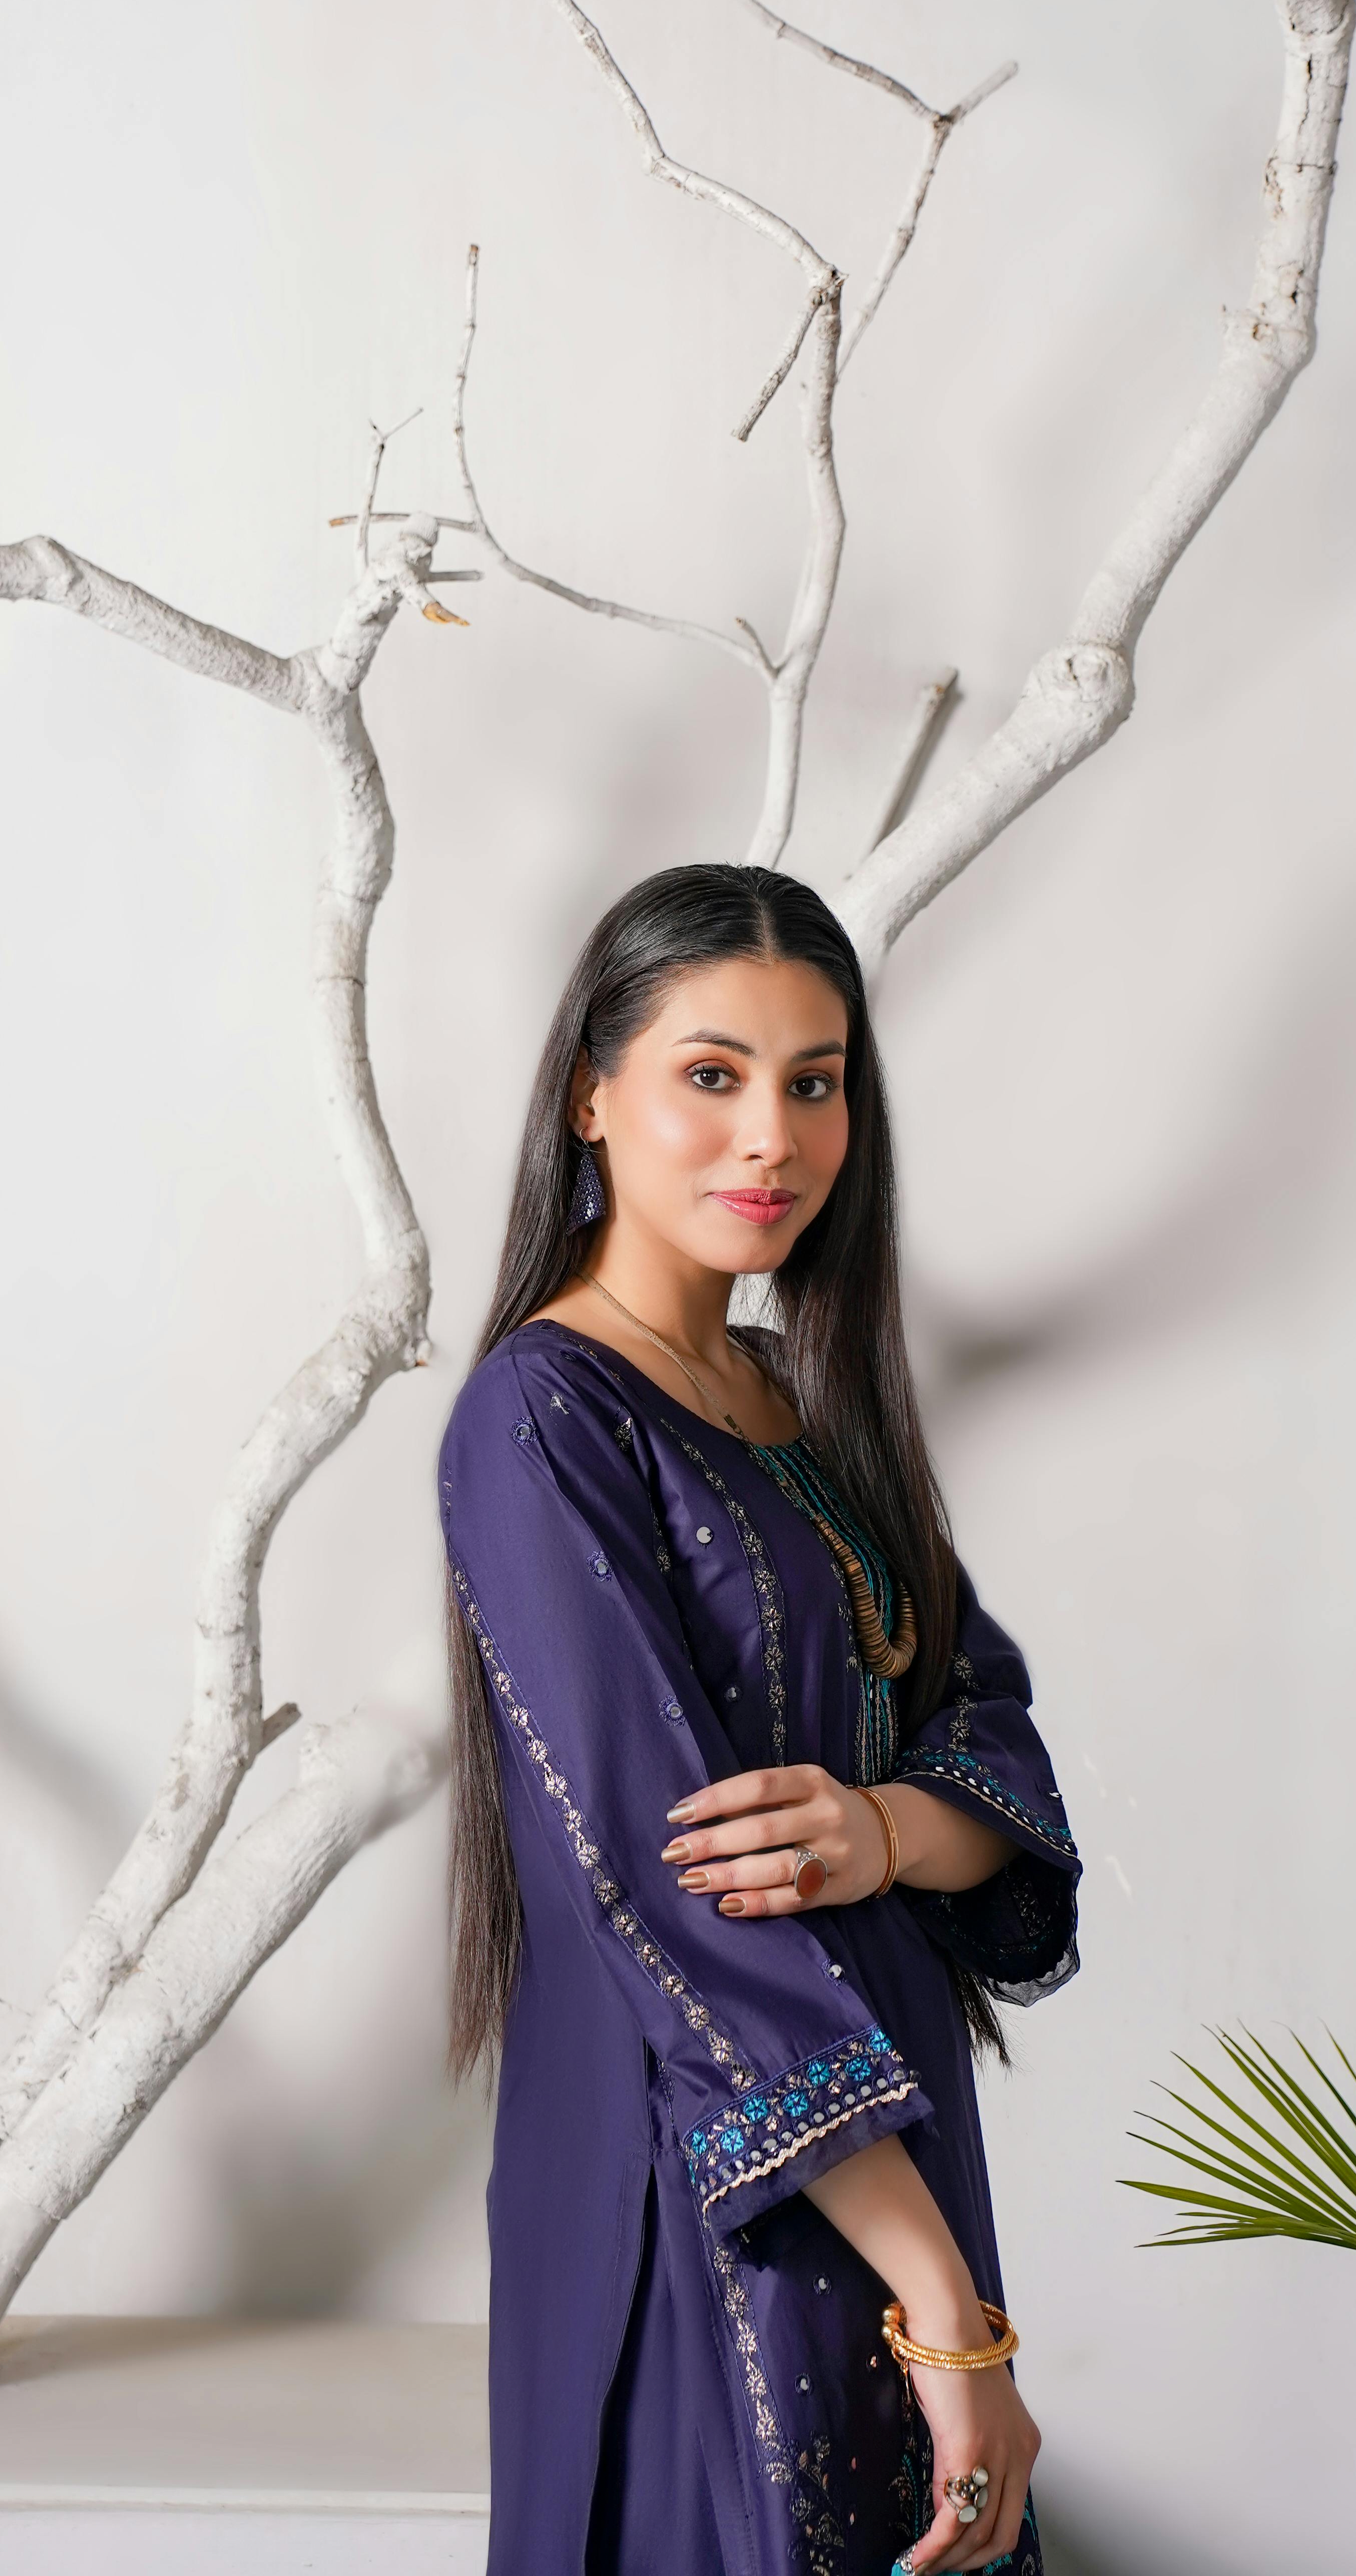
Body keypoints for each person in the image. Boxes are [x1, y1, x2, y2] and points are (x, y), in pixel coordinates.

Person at [439, 864, 1080, 2576]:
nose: (772, 1138)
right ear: (594, 1093)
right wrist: (940, 2300)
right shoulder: (541, 1418)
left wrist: (886, 1829)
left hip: (892, 2131)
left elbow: (978, 1708)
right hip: (715, 2173)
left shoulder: (794, 1401)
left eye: (815, 1081)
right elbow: (661, 1890)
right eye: (711, 1076)